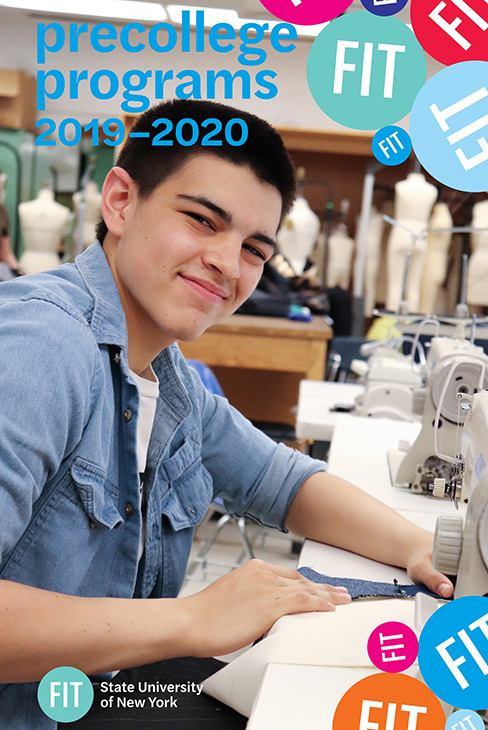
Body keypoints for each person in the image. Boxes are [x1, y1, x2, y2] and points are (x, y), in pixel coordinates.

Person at [0, 99, 453, 730]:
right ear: (121, 202)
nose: (226, 262)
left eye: (254, 249)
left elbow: (286, 483)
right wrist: (196, 618)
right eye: (202, 220)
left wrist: (426, 549)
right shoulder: (38, 349)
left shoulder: (167, 376)